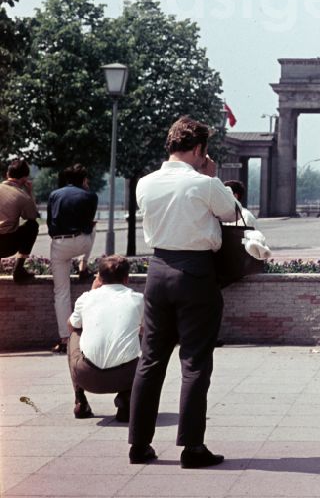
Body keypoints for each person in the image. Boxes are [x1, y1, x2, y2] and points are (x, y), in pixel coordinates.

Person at [128, 115, 238, 469]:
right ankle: (192, 447)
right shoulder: (203, 182)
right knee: (194, 361)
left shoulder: (144, 183)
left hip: (157, 271)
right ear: (199, 149)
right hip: (194, 272)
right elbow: (231, 212)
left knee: (150, 359)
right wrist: (211, 175)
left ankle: (139, 443)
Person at [66, 254, 143, 421]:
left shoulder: (86, 298)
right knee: (140, 332)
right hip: (125, 377)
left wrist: (93, 292)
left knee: (75, 332)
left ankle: (80, 400)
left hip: (87, 376)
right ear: (126, 278)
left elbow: (71, 325)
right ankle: (126, 398)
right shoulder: (138, 300)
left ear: (99, 277)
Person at [47, 163, 99, 354]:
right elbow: (88, 221)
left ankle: (64, 338)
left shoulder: (54, 195)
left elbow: (49, 223)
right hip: (81, 242)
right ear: (84, 180)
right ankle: (83, 264)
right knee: (93, 228)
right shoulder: (90, 196)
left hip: (60, 244)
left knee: (61, 292)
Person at [0, 158, 40, 283]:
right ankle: (18, 269)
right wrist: (29, 192)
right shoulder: (22, 197)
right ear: (24, 179)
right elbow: (33, 216)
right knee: (32, 225)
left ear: (7, 174)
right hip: (6, 246)